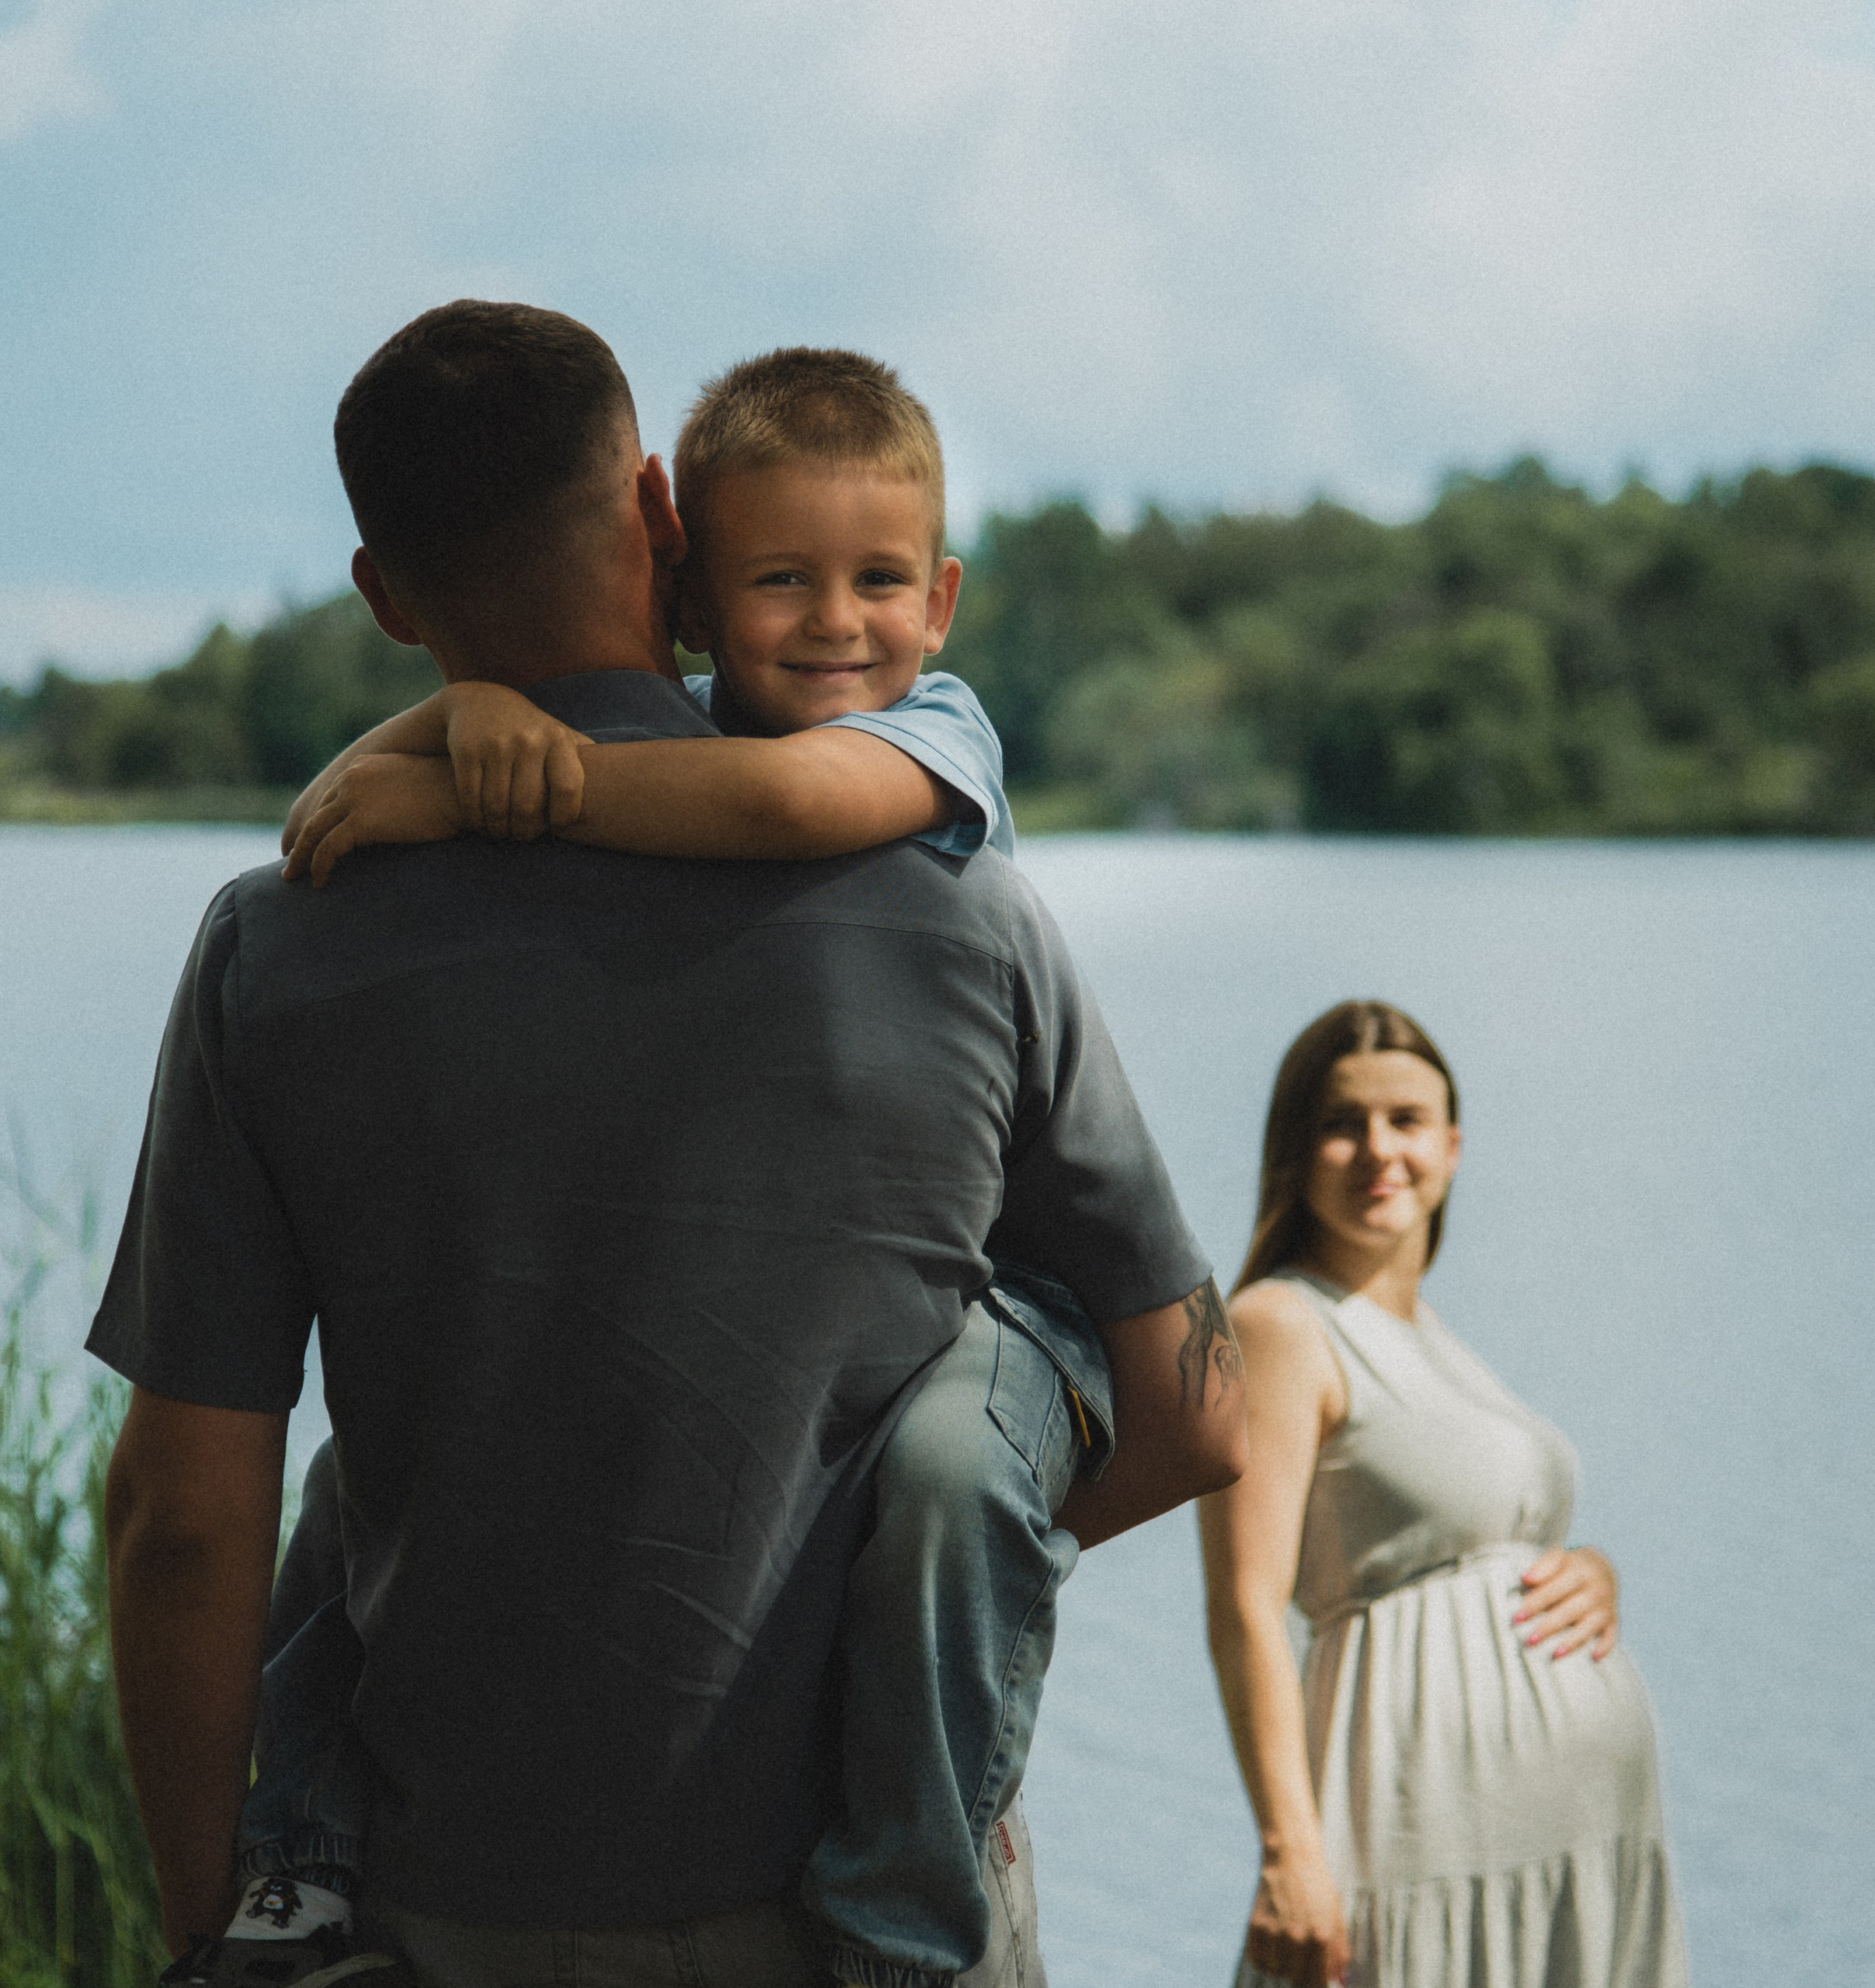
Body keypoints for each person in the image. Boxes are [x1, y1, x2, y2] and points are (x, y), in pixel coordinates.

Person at [91, 301, 1246, 1988]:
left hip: (448, 1909)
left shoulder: (283, 944)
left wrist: (205, 1921)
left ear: (385, 596)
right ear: (658, 514)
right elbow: (1200, 1414)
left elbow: (183, 1517)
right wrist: (934, 1571)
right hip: (854, 1911)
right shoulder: (963, 911)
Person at [1198, 1001, 1686, 1988]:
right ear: (1293, 1151)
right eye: (1342, 1124)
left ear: (1451, 1146)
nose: (1378, 1149)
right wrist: (1290, 1853)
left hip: (1577, 1846)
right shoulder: (1280, 1322)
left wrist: (1588, 1569)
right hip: (1419, 1831)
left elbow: (1477, 1529)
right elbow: (1245, 1604)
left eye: (1406, 1121)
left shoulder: (1437, 1339)